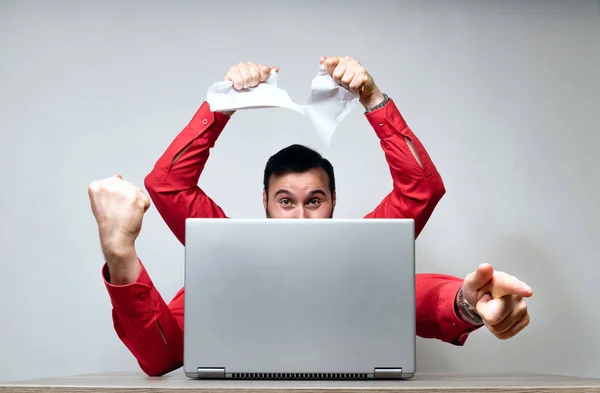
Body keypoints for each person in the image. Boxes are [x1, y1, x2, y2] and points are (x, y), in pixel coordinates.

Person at [88, 56, 532, 377]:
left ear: (334, 201)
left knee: (376, 271)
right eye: (285, 201)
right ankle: (120, 254)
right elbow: (160, 354)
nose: (300, 216)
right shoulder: (224, 260)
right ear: (264, 201)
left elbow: (421, 199)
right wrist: (218, 107)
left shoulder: (361, 260)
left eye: (314, 200)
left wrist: (467, 304)